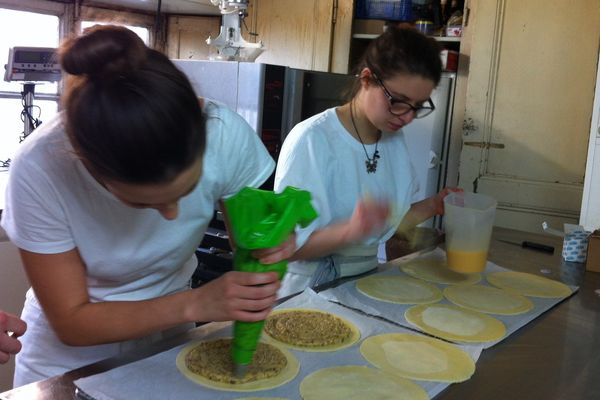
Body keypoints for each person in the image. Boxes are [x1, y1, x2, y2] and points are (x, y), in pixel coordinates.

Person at [0, 25, 294, 386]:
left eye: (185, 192)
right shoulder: (40, 167)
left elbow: (251, 239)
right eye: (142, 202)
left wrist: (272, 239)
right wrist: (196, 305)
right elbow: (72, 321)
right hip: (68, 363)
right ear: (92, 165)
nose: (172, 214)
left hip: (171, 343)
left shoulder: (221, 131)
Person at [274, 27, 459, 297]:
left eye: (418, 106)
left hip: (364, 284)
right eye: (398, 101)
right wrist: (349, 231)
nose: (407, 117)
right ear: (367, 79)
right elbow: (285, 247)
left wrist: (434, 205)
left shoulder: (393, 139)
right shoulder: (313, 140)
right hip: (309, 292)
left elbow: (388, 220)